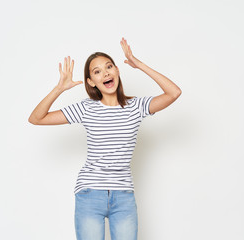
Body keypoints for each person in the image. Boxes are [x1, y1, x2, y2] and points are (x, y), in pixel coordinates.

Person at [28, 37, 182, 240]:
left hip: (123, 196)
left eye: (109, 67)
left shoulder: (136, 106)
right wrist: (59, 88)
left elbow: (174, 92)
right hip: (90, 193)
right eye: (97, 71)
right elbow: (36, 118)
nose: (105, 73)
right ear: (91, 82)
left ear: (117, 71)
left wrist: (139, 64)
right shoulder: (86, 108)